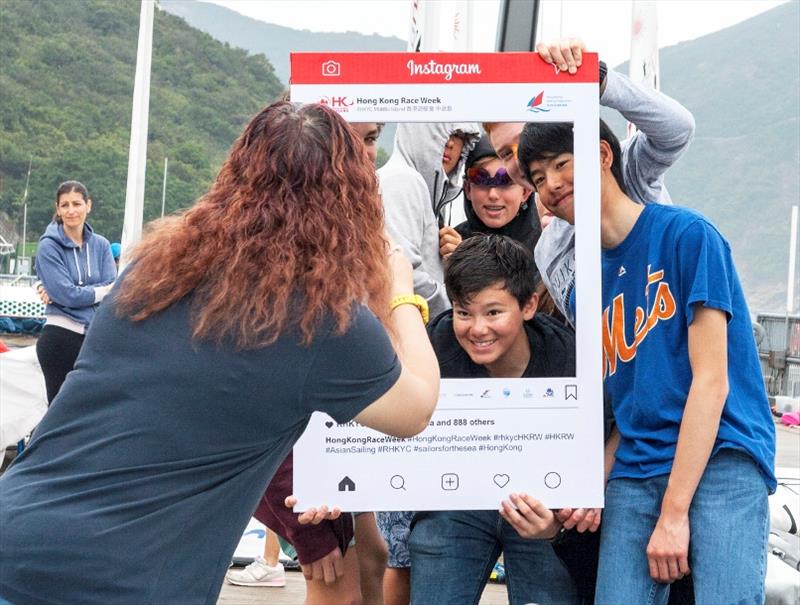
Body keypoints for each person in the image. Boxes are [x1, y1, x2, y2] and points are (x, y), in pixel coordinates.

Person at [0, 102, 440, 604]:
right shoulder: (321, 319)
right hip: (126, 581)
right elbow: (416, 408)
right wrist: (400, 294)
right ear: (352, 196)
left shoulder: (150, 273)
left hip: (16, 531)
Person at [518, 120, 776, 605]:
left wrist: (674, 515)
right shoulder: (584, 287)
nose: (551, 184)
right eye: (536, 178)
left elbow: (711, 384)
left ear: (601, 155)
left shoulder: (688, 235)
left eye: (561, 164)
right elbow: (629, 406)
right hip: (637, 468)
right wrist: (591, 481)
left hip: (721, 454)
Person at [409, 234, 580, 605]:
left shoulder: (566, 358)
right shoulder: (434, 346)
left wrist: (557, 524)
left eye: (493, 312)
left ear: (529, 305)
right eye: (463, 312)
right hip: (455, 501)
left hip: (538, 505)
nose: (477, 329)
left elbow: (588, 453)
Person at [485, 39, 696, 326]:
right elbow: (585, 336)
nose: (519, 158)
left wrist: (597, 80)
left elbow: (678, 129)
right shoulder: (547, 250)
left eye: (522, 141)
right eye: (504, 154)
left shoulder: (622, 167)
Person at [377, 120, 479, 605]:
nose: (452, 154)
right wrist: (446, 312)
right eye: (445, 141)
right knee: (403, 542)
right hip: (410, 354)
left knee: (400, 540)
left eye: (460, 146)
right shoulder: (402, 182)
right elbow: (401, 270)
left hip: (411, 354)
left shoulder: (424, 192)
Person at [379, 122, 480, 319]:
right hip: (410, 332)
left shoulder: (422, 189)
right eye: (438, 131)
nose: (450, 143)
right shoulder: (402, 180)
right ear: (416, 131)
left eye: (459, 136)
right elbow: (404, 275)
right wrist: (456, 313)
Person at [34, 180, 116, 403]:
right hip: (60, 338)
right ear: (58, 209)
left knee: (92, 409)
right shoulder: (48, 246)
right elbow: (66, 294)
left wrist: (76, 293)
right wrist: (100, 291)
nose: (71, 211)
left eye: (77, 204)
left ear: (88, 205)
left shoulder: (101, 245)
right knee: (59, 412)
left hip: (93, 340)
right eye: (65, 205)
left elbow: (113, 289)